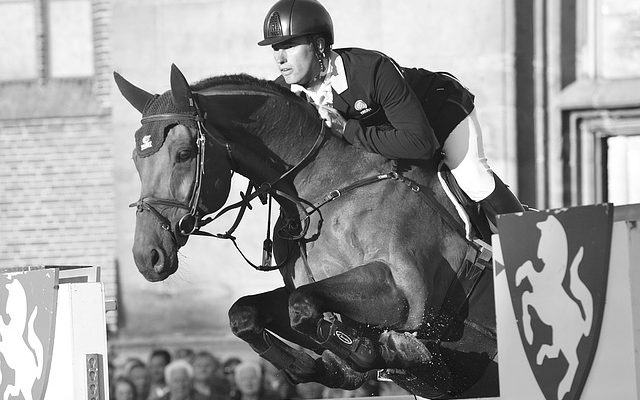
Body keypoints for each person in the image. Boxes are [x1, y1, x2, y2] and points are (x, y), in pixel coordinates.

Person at [257, 0, 524, 232]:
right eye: (275, 48)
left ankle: (527, 242)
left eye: (289, 45)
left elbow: (421, 144)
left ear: (318, 46)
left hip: (441, 115)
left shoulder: (370, 70)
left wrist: (348, 129)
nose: (279, 58)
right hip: (392, 134)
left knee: (474, 179)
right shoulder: (284, 92)